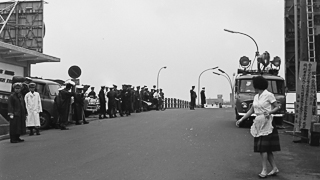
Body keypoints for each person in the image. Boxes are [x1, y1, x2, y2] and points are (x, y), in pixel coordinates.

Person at [236, 76, 281, 178]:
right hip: (258, 123)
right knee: (265, 148)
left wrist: (269, 112)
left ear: (257, 85)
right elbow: (251, 110)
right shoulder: (256, 96)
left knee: (263, 148)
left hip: (267, 123)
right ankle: (274, 168)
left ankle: (264, 170)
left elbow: (277, 107)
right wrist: (242, 119)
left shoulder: (269, 95)